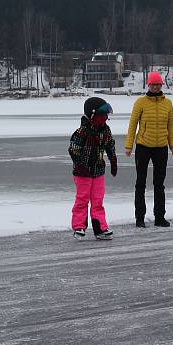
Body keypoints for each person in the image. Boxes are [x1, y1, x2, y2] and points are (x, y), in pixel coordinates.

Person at [124, 72, 173, 228]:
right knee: (140, 183)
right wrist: (129, 146)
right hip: (143, 147)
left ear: (162, 85)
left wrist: (172, 146)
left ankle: (159, 217)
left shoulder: (168, 104)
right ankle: (139, 218)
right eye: (153, 84)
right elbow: (133, 125)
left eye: (158, 84)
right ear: (148, 85)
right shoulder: (140, 102)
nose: (156, 87)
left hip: (161, 148)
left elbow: (170, 126)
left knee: (159, 184)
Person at [68, 97, 117, 240]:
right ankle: (79, 227)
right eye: (103, 114)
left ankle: (100, 228)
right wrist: (80, 165)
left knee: (98, 201)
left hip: (98, 172)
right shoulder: (81, 132)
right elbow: (73, 149)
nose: (106, 118)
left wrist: (113, 160)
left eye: (107, 115)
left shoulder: (105, 130)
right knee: (82, 199)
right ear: (93, 115)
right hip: (82, 173)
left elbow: (110, 146)